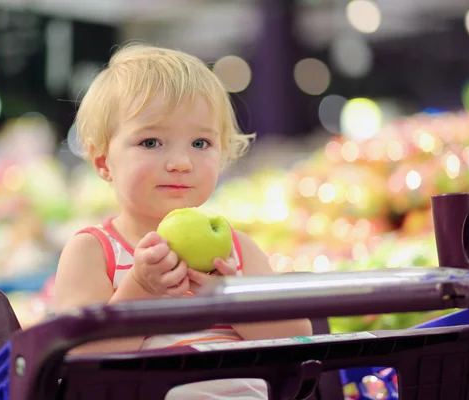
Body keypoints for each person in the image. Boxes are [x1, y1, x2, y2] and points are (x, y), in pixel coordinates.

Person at [54, 43, 313, 399]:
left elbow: (299, 341)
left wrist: (233, 302)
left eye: (200, 143)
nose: (181, 162)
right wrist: (141, 292)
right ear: (103, 161)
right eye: (151, 142)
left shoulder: (237, 251)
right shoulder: (93, 252)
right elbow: (78, 361)